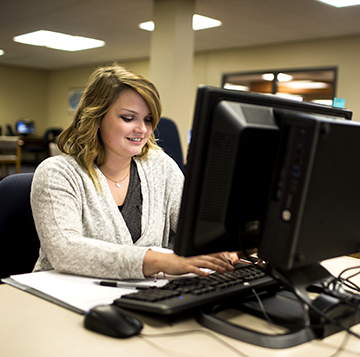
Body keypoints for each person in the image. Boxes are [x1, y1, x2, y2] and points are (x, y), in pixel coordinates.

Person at [31, 63, 238, 280]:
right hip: (60, 295)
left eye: (148, 119)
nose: (142, 129)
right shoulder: (57, 173)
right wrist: (160, 260)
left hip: (139, 296)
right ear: (97, 117)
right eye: (128, 118)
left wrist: (220, 245)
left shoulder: (160, 166)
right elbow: (65, 251)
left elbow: (195, 226)